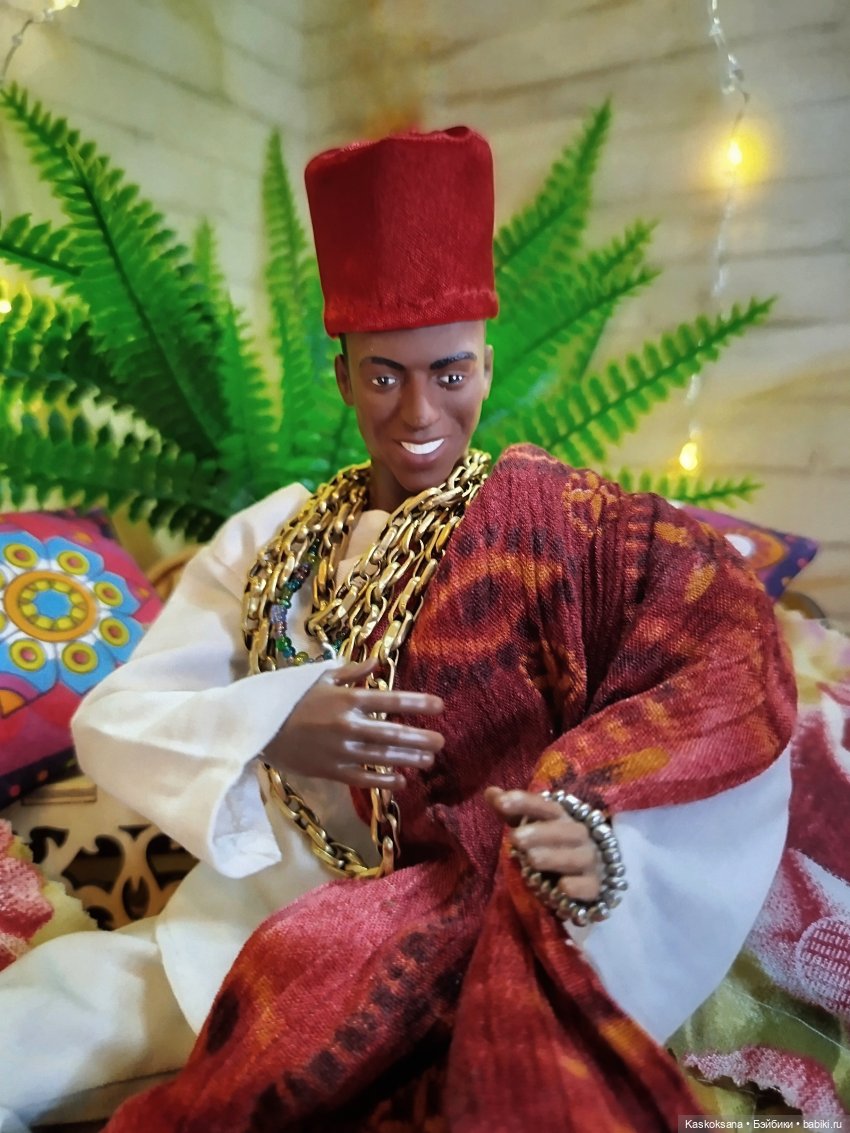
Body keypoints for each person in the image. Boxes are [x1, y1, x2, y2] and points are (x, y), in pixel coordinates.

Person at [0, 127, 795, 1133]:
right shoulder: (269, 540)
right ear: (342, 376)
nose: (419, 410)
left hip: (460, 944)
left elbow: (716, 680)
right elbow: (116, 719)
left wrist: (605, 841)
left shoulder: (565, 534)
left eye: (449, 374)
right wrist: (272, 724)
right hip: (235, 929)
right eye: (384, 376)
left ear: (487, 368)